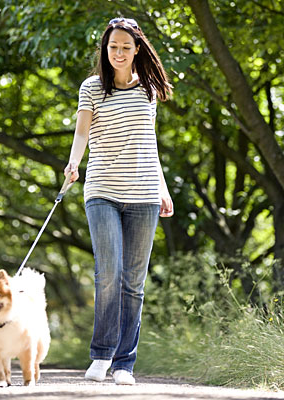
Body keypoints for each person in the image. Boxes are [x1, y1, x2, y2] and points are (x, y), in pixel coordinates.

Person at [64, 17, 174, 385]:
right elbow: (82, 130)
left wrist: (163, 187)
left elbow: (150, 144)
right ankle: (101, 355)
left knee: (133, 282)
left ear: (137, 49)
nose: (119, 53)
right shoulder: (92, 87)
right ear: (105, 49)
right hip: (102, 190)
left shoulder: (149, 91)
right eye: (113, 47)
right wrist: (73, 163)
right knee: (108, 274)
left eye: (126, 47)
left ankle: (125, 363)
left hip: (143, 193)